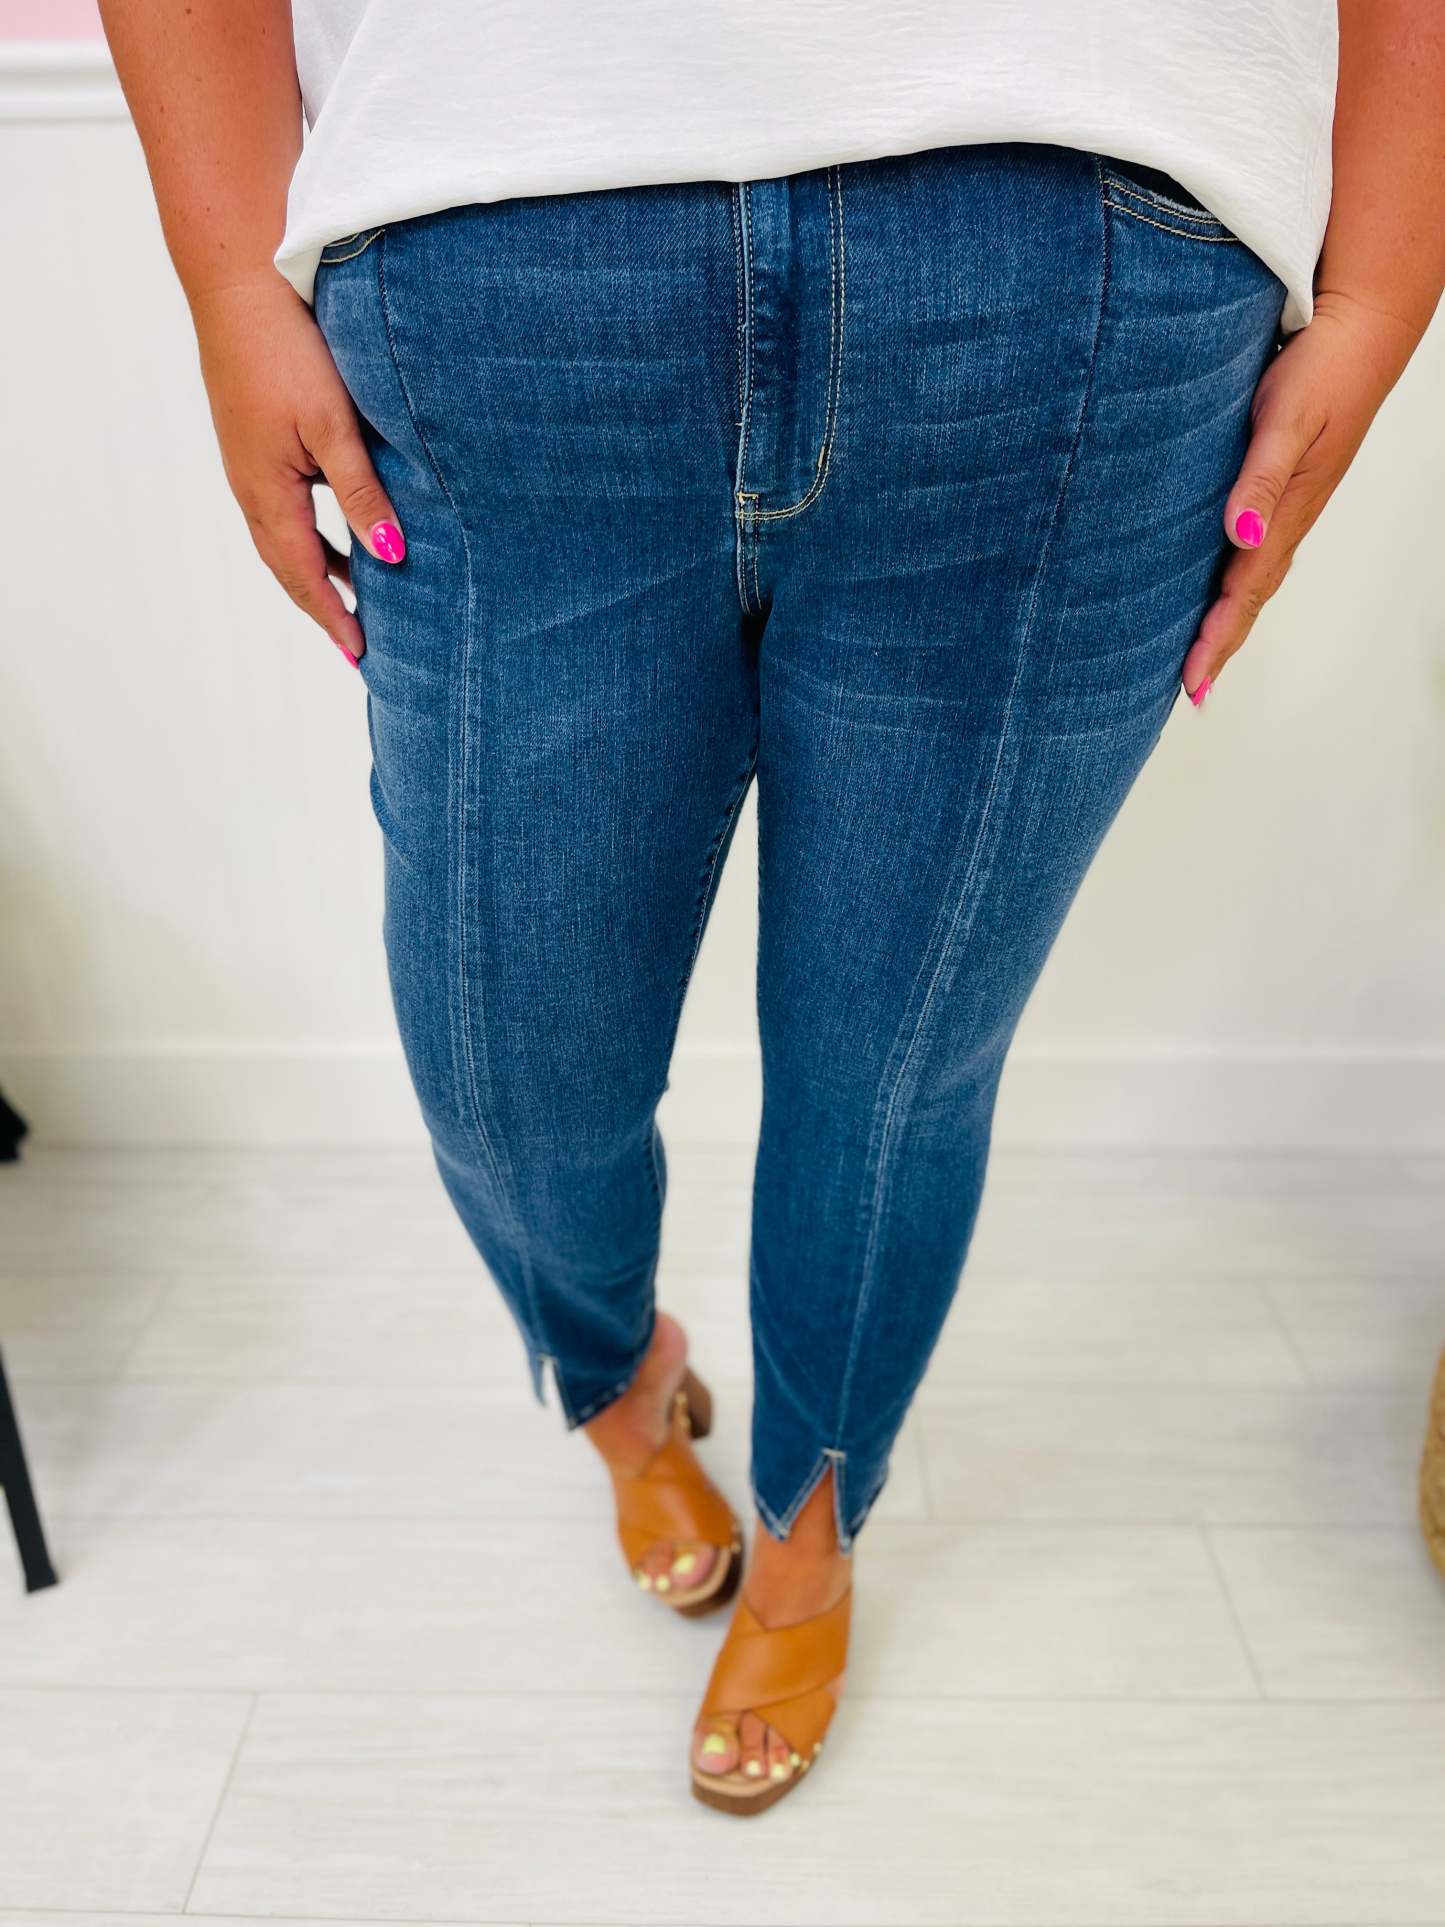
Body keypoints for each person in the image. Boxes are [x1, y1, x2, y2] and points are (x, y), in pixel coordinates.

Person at [99, 0, 1444, 1816]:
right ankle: (617, 1379)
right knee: (509, 1073)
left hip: (1084, 268)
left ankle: (809, 1526)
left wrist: (1379, 288)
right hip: (502, 255)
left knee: (890, 1075)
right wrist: (224, 277)